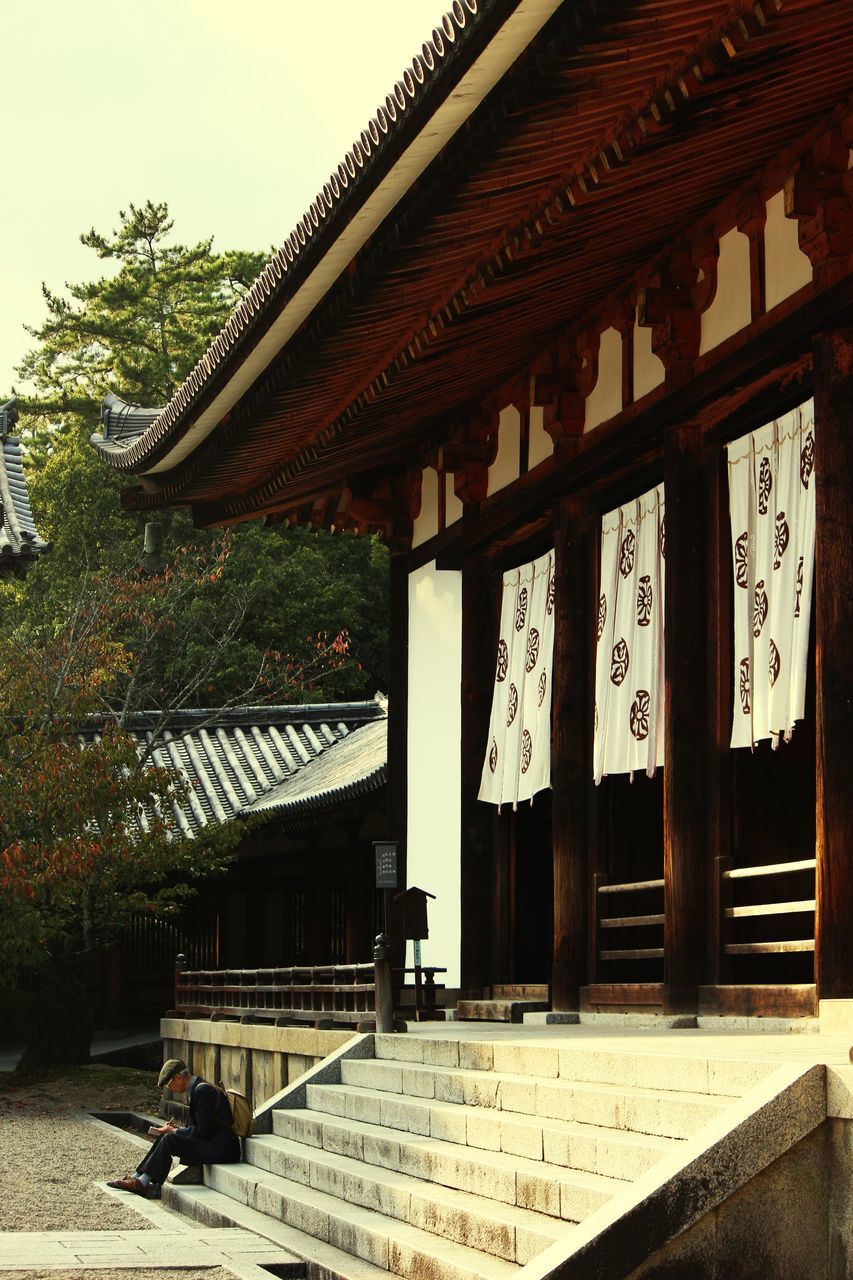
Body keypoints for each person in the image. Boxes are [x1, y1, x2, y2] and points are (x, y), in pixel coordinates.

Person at [107, 1058, 241, 1198]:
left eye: (169, 1084)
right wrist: (177, 1130)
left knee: (170, 1138)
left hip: (222, 1150)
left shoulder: (203, 1091)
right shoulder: (199, 1088)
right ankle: (137, 1177)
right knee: (166, 1136)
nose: (170, 1089)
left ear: (178, 1077)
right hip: (214, 1143)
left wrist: (175, 1131)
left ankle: (142, 1183)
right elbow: (203, 1127)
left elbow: (202, 1131)